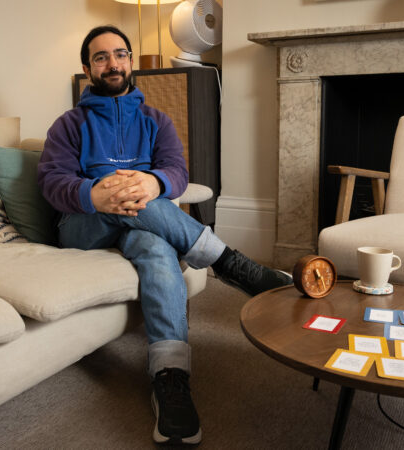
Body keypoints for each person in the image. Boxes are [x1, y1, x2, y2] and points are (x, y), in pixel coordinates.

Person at [38, 25, 293, 445]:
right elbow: (51, 182)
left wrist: (153, 184)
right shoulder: (69, 124)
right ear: (87, 68)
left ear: (131, 61)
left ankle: (170, 378)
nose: (112, 63)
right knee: (135, 200)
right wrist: (93, 193)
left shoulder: (156, 121)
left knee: (156, 248)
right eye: (101, 57)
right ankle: (229, 263)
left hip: (141, 224)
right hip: (83, 225)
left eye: (120, 54)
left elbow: (177, 172)